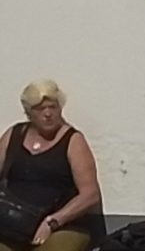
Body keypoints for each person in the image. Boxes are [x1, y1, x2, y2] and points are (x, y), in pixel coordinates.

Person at [0, 80, 104, 251]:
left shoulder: (73, 140)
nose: (48, 114)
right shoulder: (13, 135)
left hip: (62, 225)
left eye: (52, 107)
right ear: (28, 112)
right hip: (14, 222)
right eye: (40, 109)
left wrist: (53, 221)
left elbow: (90, 194)